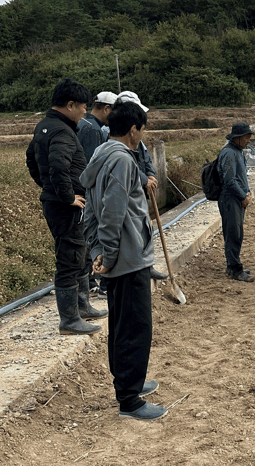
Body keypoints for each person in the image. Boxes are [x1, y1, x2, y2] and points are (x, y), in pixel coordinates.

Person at [80, 100, 167, 421]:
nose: (143, 137)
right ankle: (129, 401)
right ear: (133, 130)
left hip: (116, 257)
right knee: (135, 327)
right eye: (142, 131)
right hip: (128, 259)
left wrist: (97, 251)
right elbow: (113, 213)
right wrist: (110, 254)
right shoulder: (123, 162)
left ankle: (129, 382)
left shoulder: (100, 155)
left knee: (120, 325)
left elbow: (90, 210)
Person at [25, 78, 106, 336]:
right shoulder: (61, 131)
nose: (85, 111)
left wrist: (47, 186)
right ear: (70, 105)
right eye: (82, 106)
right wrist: (66, 196)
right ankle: (69, 320)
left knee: (79, 252)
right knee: (70, 258)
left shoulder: (46, 126)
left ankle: (82, 307)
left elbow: (31, 160)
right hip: (65, 206)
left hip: (58, 201)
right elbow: (58, 166)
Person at [114, 91, 170, 283]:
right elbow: (126, 165)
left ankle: (147, 265)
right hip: (129, 190)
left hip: (140, 189)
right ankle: (135, 268)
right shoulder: (116, 139)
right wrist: (144, 179)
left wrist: (151, 175)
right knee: (132, 231)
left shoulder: (137, 137)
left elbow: (145, 158)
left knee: (146, 226)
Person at [77, 91, 118, 294]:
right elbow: (93, 167)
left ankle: (90, 282)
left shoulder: (84, 124)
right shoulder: (93, 130)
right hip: (88, 191)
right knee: (92, 234)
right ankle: (94, 282)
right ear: (106, 109)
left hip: (81, 189)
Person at [217, 122, 253, 282]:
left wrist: (247, 192)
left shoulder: (238, 151)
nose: (249, 141)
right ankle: (234, 269)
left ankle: (234, 264)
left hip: (237, 199)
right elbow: (230, 181)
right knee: (233, 234)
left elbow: (240, 177)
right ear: (237, 138)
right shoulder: (229, 154)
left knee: (237, 233)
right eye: (246, 137)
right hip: (230, 199)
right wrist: (242, 196)